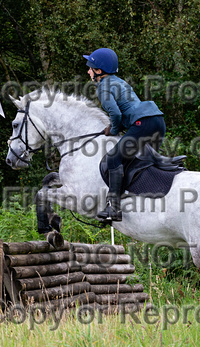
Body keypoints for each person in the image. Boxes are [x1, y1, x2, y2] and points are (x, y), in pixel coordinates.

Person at [84, 48, 166, 222]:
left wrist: (113, 130)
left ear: (99, 71)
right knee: (139, 161)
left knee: (113, 159)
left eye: (90, 68)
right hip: (158, 121)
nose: (88, 71)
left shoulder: (102, 88)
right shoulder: (119, 82)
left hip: (141, 124)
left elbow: (116, 114)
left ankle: (114, 208)